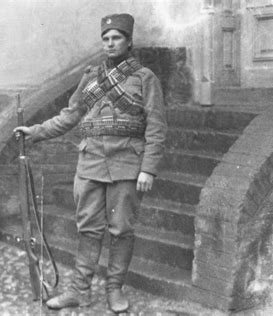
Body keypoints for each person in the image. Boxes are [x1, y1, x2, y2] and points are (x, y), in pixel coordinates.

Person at [14, 13, 167, 313]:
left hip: (127, 165)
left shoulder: (145, 78)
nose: (110, 43)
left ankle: (114, 288)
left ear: (129, 41)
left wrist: (148, 168)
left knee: (121, 229)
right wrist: (35, 132)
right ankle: (78, 291)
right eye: (106, 39)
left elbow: (157, 127)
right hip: (90, 163)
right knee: (87, 228)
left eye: (116, 38)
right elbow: (70, 115)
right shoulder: (90, 77)